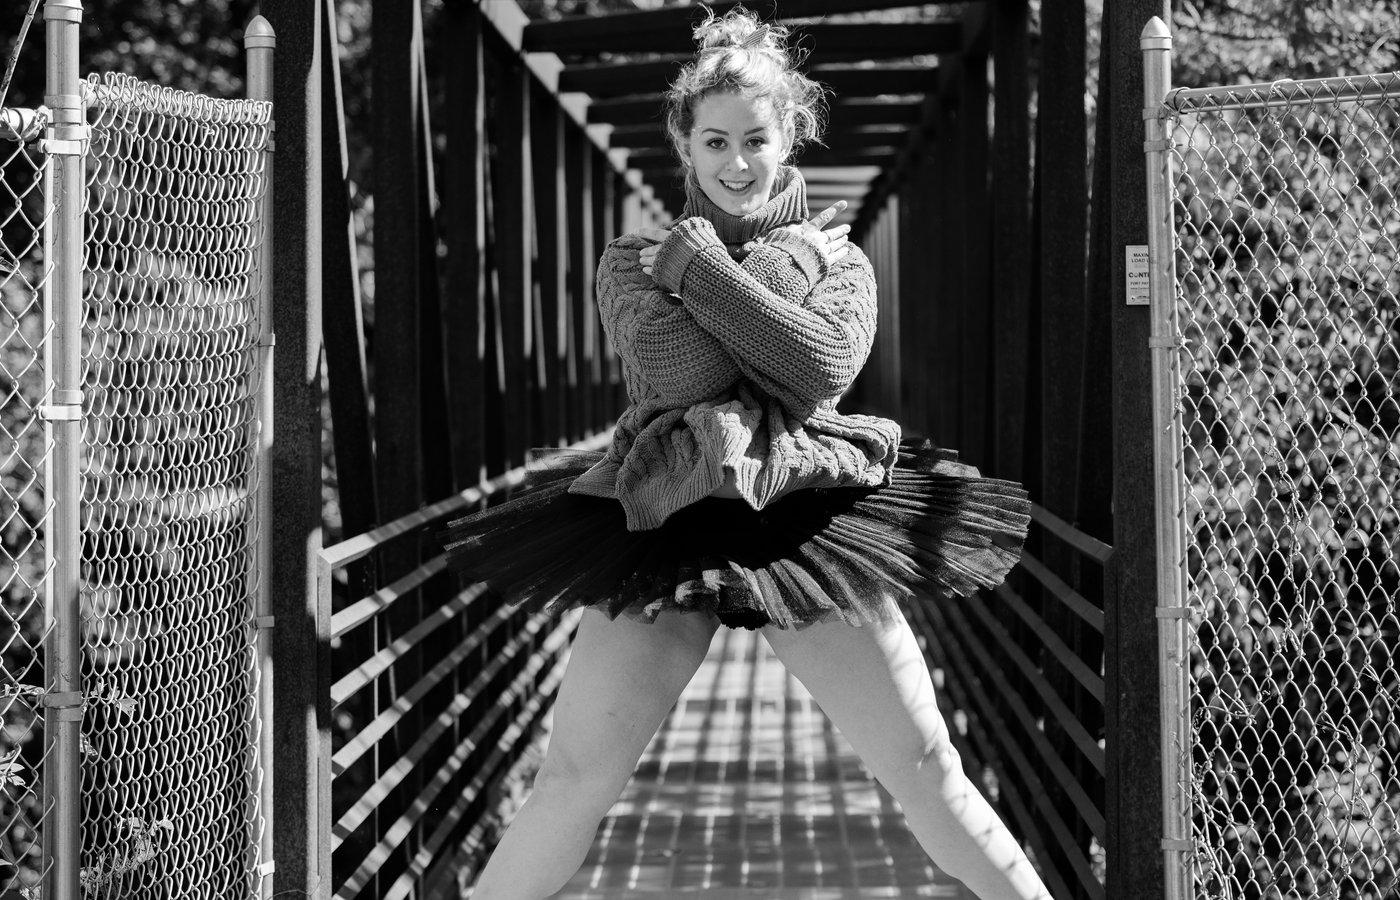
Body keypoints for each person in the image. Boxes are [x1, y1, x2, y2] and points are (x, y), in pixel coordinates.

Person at [445, 8, 1053, 900]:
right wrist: (759, 282)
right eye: (716, 141)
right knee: (572, 781)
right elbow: (677, 372)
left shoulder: (839, 260)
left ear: (791, 138)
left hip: (807, 523)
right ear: (683, 146)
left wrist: (696, 273)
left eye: (756, 140)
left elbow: (814, 371)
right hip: (664, 519)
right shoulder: (630, 259)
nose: (737, 164)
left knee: (927, 767)